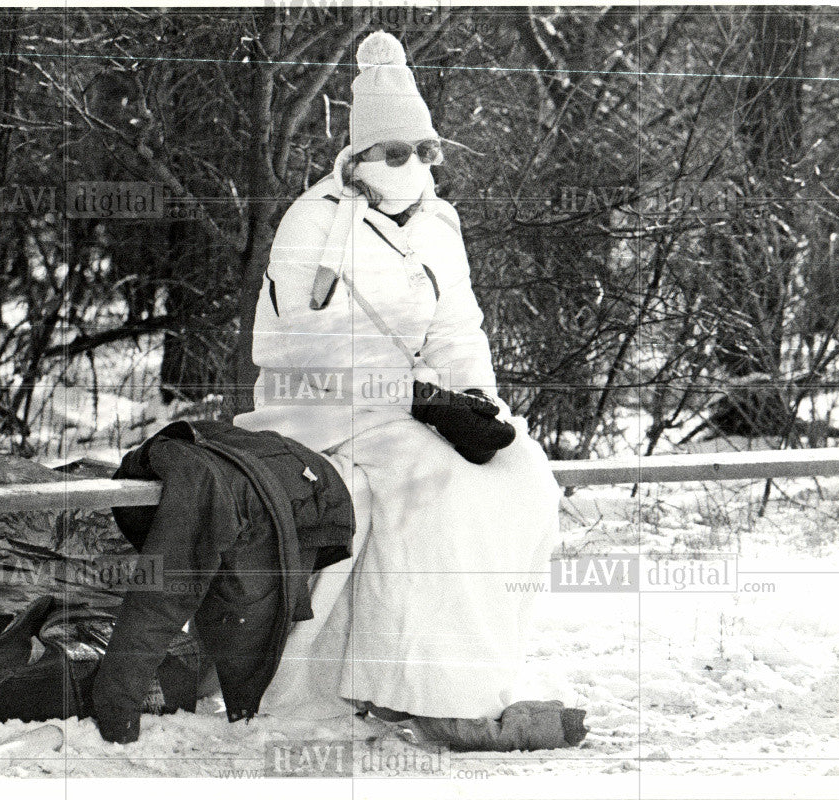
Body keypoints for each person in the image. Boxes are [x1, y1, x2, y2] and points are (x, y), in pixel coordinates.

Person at [232, 30, 586, 751]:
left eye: (425, 152)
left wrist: (476, 402)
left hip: (417, 405)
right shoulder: (314, 225)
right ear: (359, 158)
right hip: (322, 409)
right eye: (395, 154)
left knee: (521, 476)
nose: (412, 167)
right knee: (440, 491)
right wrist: (412, 396)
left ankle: (480, 676)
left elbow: (458, 329)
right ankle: (424, 691)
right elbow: (292, 349)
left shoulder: (438, 227)